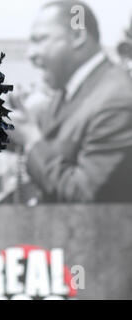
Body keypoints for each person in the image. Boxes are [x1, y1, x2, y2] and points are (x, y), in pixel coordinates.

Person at [10, 0, 132, 203]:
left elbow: (83, 195)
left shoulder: (116, 101)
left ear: (77, 36)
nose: (30, 54)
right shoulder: (69, 90)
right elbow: (52, 141)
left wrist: (31, 140)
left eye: (40, 39)